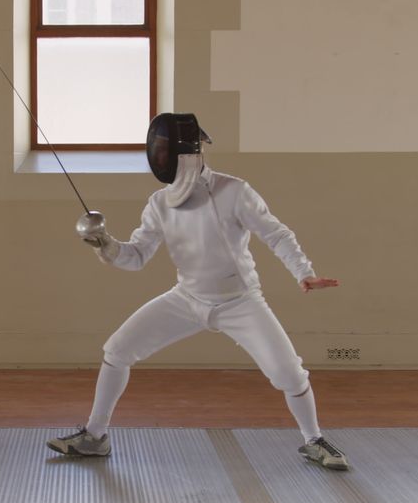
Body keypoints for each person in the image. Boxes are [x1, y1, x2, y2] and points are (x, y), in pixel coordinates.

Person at [46, 113, 349, 470]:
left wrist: (303, 272)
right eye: (157, 150)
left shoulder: (234, 191)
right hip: (187, 299)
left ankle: (314, 439)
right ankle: (95, 437)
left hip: (240, 301)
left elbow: (276, 234)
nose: (160, 157)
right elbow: (137, 256)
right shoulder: (160, 203)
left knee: (289, 374)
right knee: (117, 349)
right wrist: (106, 245)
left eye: (165, 150)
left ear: (186, 153)